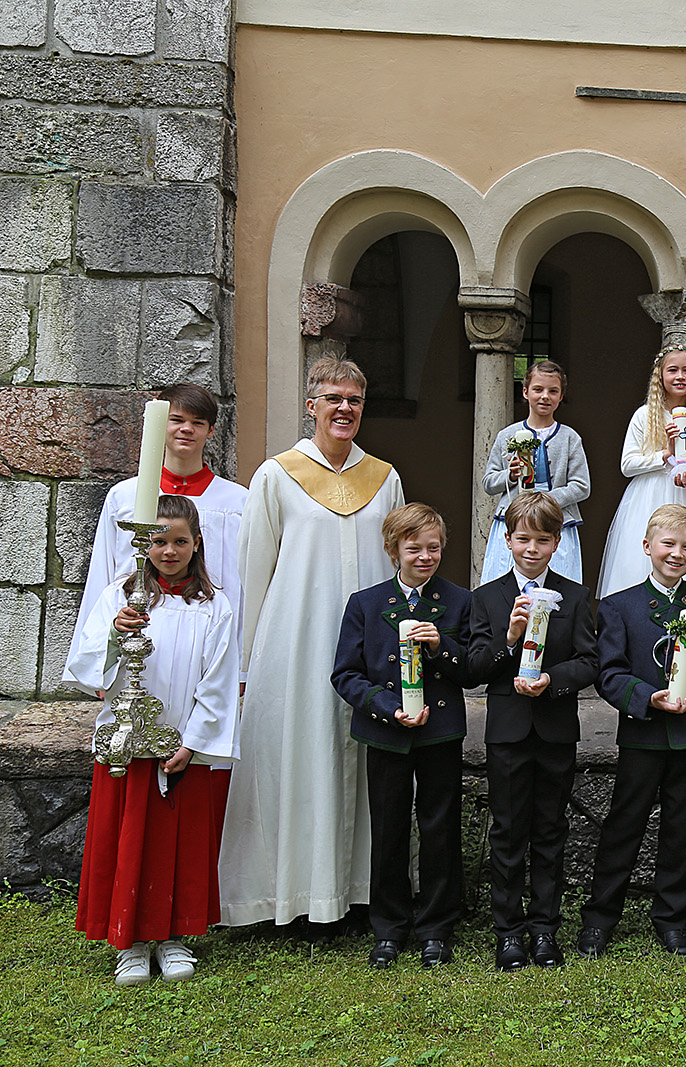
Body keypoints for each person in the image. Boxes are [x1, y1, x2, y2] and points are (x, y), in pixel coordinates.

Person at [220, 357, 405, 929]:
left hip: (371, 647)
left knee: (364, 759)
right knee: (301, 756)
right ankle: (295, 895)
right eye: (334, 398)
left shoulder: (386, 478)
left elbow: (400, 562)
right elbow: (255, 571)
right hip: (296, 640)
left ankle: (358, 894)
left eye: (354, 400)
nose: (345, 408)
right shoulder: (276, 476)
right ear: (312, 405)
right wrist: (249, 663)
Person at [67, 495, 239, 985]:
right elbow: (84, 668)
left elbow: (219, 682)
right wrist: (116, 638)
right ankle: (130, 943)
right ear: (144, 543)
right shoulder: (118, 597)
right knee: (125, 841)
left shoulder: (214, 606)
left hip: (180, 746)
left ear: (196, 543)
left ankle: (173, 937)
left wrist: (192, 743)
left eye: (179, 540)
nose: (169, 550)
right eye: (159, 540)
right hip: (125, 743)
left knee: (175, 845)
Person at [579, 504, 686, 958]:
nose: (677, 554)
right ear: (647, 547)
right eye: (668, 544)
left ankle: (672, 918)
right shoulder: (618, 607)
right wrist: (646, 698)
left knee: (682, 827)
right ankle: (600, 917)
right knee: (624, 825)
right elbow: (608, 674)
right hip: (643, 734)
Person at [332, 503, 472, 970]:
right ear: (393, 550)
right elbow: (346, 675)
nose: (426, 557)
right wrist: (389, 709)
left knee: (439, 828)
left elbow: (470, 669)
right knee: (388, 828)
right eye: (414, 548)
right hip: (386, 733)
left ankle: (436, 927)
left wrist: (441, 647)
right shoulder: (366, 604)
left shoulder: (457, 600)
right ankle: (389, 928)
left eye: (434, 548)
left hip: (439, 732)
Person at [468, 492, 598, 972]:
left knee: (549, 829)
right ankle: (508, 931)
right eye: (523, 539)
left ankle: (544, 928)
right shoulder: (487, 597)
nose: (532, 549)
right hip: (508, 731)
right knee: (507, 830)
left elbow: (589, 661)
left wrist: (553, 681)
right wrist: (508, 639)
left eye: (543, 540)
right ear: (507, 539)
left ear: (556, 542)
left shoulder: (576, 595)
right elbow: (477, 667)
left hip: (555, 728)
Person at [65, 383, 247, 686]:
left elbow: (243, 588)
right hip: (135, 640)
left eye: (197, 422)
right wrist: (100, 659)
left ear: (211, 431)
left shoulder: (237, 502)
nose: (186, 429)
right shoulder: (125, 497)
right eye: (176, 420)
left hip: (205, 642)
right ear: (159, 424)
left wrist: (240, 666)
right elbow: (103, 574)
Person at [599, 346, 686, 595]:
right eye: (673, 370)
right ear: (660, 376)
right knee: (642, 561)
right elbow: (627, 465)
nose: (680, 376)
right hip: (649, 497)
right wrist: (664, 455)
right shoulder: (644, 416)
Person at [479, 360, 591, 584]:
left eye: (553, 391)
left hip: (556, 520)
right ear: (525, 391)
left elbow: (581, 486)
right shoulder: (506, 435)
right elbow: (488, 483)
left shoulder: (570, 438)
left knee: (558, 584)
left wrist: (545, 502)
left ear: (561, 396)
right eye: (538, 389)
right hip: (512, 518)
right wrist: (509, 475)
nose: (545, 396)